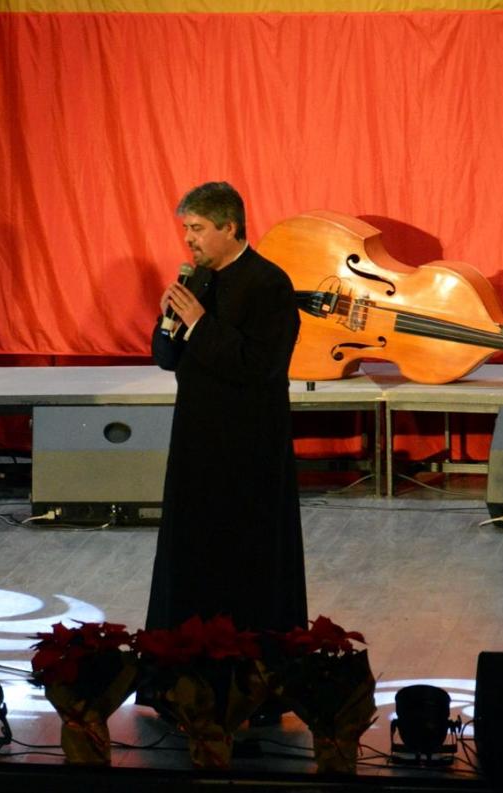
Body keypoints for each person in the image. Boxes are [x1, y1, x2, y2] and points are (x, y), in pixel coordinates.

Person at [145, 181, 308, 645]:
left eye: (197, 229)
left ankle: (247, 662)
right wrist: (167, 323)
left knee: (244, 558)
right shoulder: (198, 280)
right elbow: (168, 359)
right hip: (196, 442)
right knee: (192, 553)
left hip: (247, 448)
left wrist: (199, 323)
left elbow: (260, 365)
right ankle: (184, 660)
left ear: (230, 227)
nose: (189, 239)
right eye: (186, 229)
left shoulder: (269, 284)